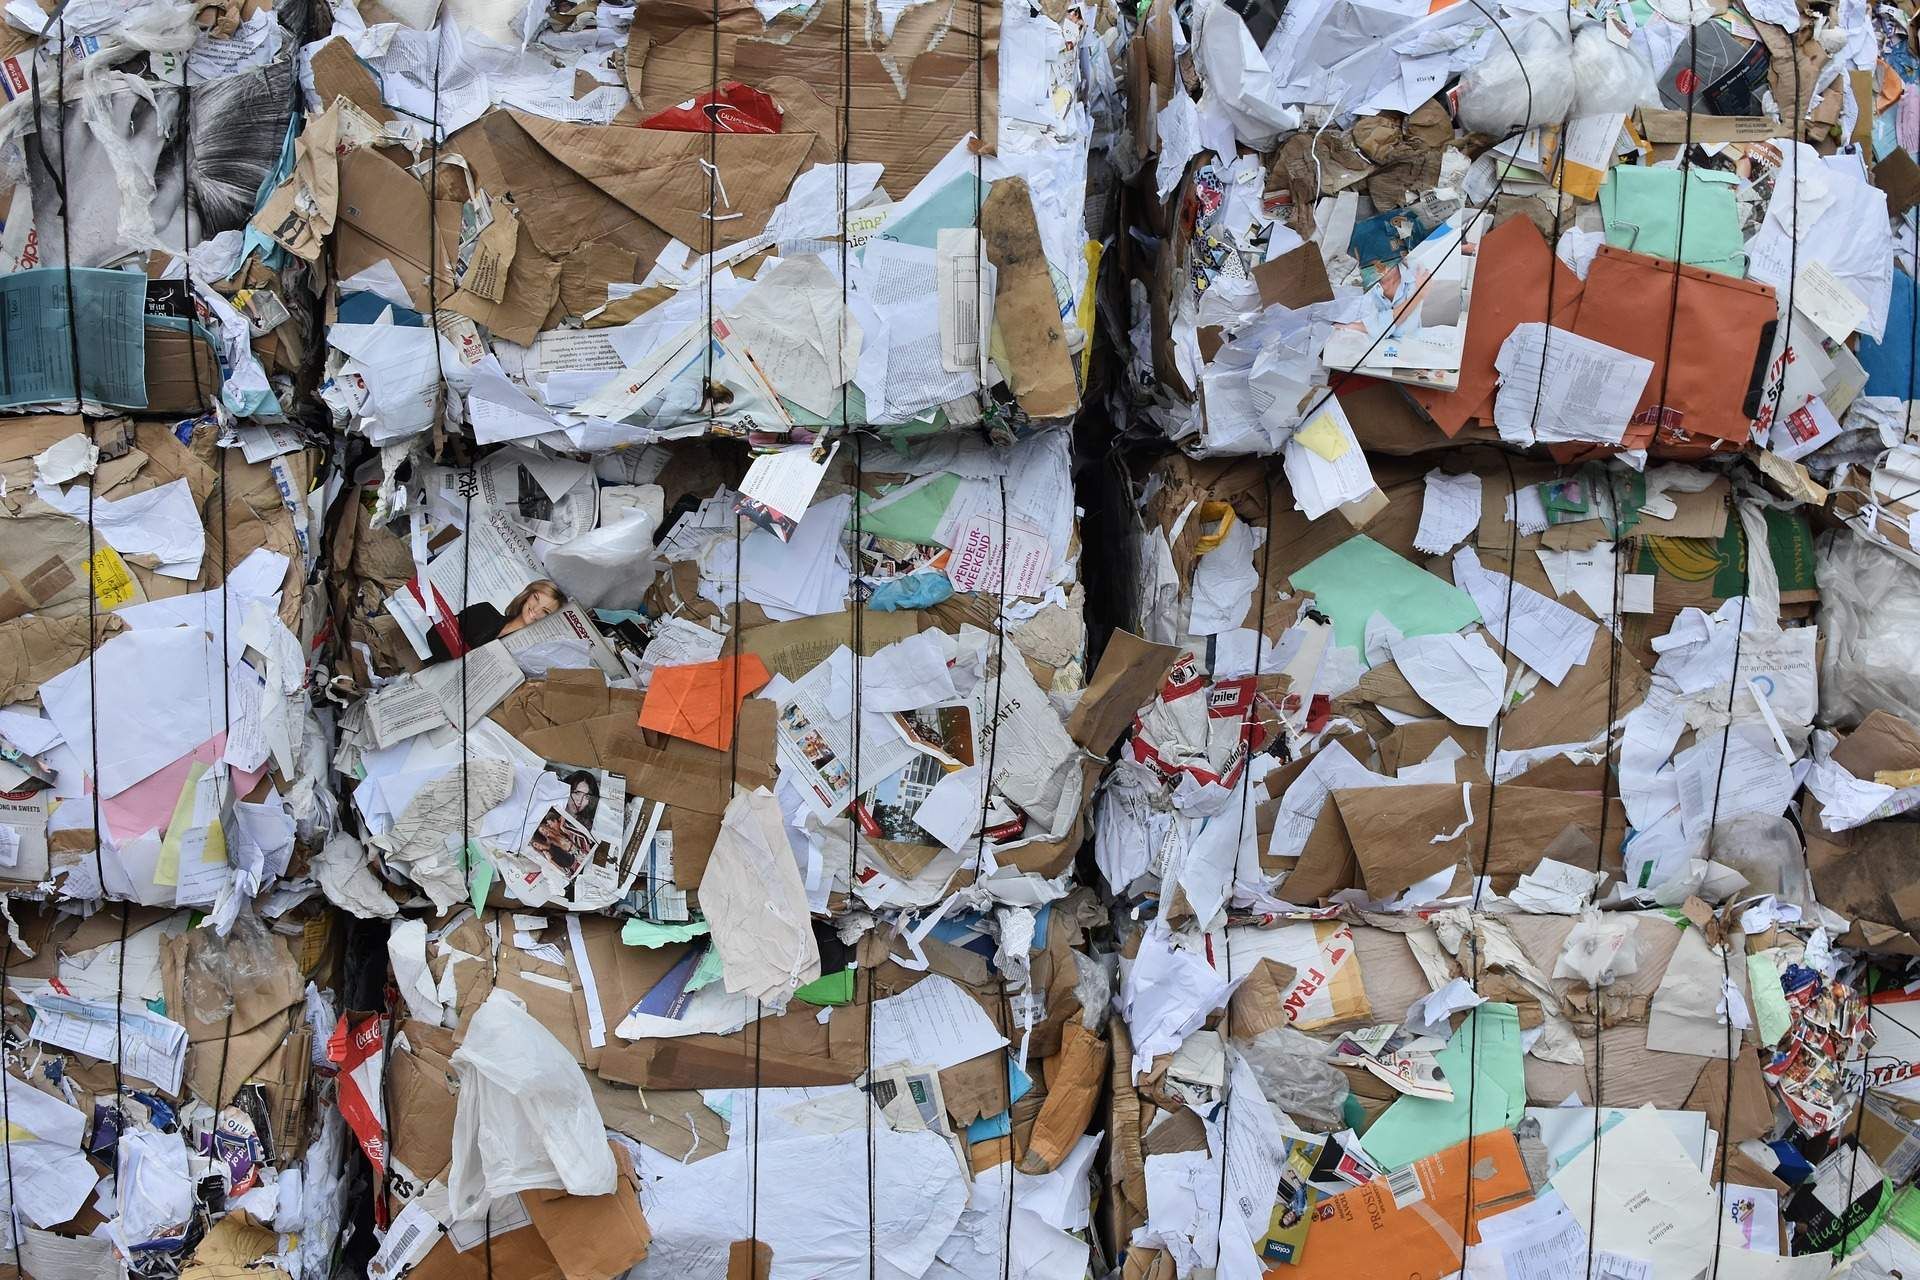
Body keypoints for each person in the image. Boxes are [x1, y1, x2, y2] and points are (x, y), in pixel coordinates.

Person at [426, 579, 563, 663]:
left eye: (546, 611)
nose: (536, 609)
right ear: (527, 595)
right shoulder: (484, 612)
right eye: (536, 598)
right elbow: (434, 640)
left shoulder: (529, 653)